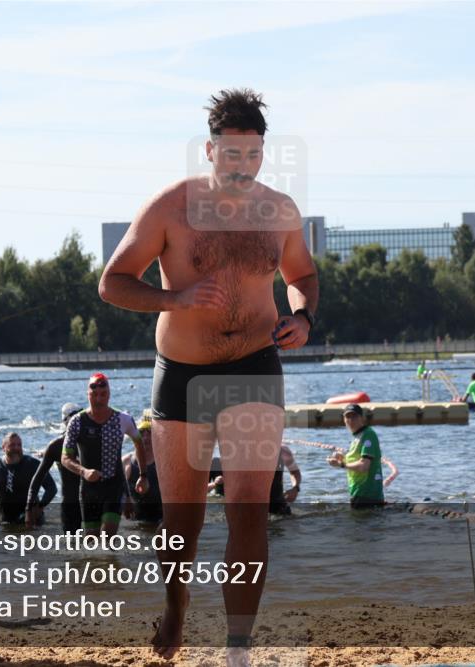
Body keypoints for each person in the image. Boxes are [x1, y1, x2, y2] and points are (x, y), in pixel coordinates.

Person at [98, 88, 318, 661]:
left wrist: (302, 314)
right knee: (182, 522)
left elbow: (303, 274)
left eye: (254, 155)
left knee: (249, 508)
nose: (243, 168)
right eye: (232, 155)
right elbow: (113, 282)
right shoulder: (172, 207)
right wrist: (175, 297)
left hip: (255, 366)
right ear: (211, 151)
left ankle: (237, 645)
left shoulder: (281, 211)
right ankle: (175, 609)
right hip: (184, 374)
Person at [61, 373, 148, 536]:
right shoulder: (77, 422)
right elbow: (65, 458)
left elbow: (139, 444)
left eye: (103, 393)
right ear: (88, 394)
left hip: (113, 487)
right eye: (94, 394)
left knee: (107, 537)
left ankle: (111, 561)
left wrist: (143, 475)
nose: (99, 398)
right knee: (91, 542)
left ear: (109, 394)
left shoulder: (123, 419)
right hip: (88, 489)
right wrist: (84, 471)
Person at [26, 402, 83, 532]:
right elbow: (38, 478)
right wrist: (29, 510)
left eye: (82, 417)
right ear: (66, 421)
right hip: (69, 506)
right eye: (76, 417)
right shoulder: (56, 446)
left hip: (92, 502)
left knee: (99, 546)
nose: (80, 421)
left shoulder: (92, 441)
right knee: (72, 547)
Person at [207, 446, 301, 515]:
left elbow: (295, 472)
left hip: (278, 507)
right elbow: (200, 490)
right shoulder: (235, 456)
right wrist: (214, 484)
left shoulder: (283, 451)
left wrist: (295, 488)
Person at [327, 404, 384, 508]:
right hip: (358, 492)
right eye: (348, 417)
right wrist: (343, 457)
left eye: (354, 416)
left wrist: (341, 464)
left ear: (361, 418)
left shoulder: (368, 435)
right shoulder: (357, 436)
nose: (351, 420)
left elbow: (363, 466)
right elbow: (356, 458)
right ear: (344, 420)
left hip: (367, 495)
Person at [122, 419, 162, 524]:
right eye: (141, 433)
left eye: (149, 433)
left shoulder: (164, 461)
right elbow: (115, 489)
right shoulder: (126, 461)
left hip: (161, 518)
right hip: (135, 520)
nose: (145, 438)